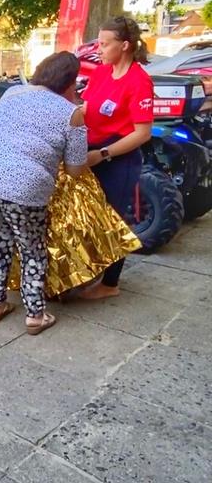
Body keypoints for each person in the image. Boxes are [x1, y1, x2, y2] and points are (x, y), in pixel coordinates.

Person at [0, 52, 88, 335]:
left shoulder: (13, 93)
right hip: (23, 187)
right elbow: (76, 170)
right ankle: (35, 315)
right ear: (72, 83)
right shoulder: (72, 113)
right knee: (32, 249)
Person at [80, 15, 153, 299]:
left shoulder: (139, 81)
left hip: (118, 156)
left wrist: (104, 154)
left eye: (104, 44)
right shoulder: (101, 72)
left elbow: (142, 133)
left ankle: (110, 283)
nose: (98, 49)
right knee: (89, 215)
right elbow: (86, 110)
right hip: (93, 150)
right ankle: (90, 268)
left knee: (114, 219)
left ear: (124, 46)